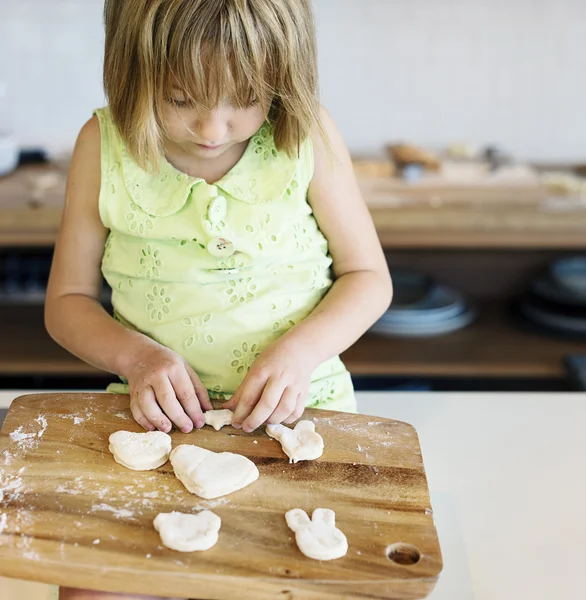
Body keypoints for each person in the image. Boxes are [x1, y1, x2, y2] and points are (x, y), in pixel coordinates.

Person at [45, 1, 392, 598]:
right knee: (94, 585)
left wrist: (300, 354)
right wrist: (136, 358)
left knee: (320, 579)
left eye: (244, 100)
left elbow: (369, 277)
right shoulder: (103, 145)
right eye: (179, 99)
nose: (211, 129)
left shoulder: (303, 134)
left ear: (283, 78)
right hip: (155, 418)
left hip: (302, 412)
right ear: (133, 72)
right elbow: (66, 301)